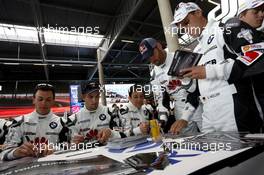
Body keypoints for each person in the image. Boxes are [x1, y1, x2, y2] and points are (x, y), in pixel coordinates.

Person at [170, 2, 262, 134]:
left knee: (241, 154)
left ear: (198, 12)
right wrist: (185, 117)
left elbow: (255, 54)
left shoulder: (225, 27)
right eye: (182, 28)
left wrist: (209, 71)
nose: (186, 29)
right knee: (212, 153)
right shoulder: (197, 50)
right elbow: (195, 91)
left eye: (186, 22)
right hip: (208, 114)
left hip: (234, 110)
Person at [139, 37, 201, 134]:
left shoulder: (180, 58)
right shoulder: (154, 75)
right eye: (148, 58)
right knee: (188, 143)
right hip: (179, 109)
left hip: (199, 104)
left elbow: (198, 86)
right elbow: (162, 100)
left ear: (159, 46)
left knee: (211, 137)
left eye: (152, 54)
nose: (152, 59)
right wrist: (162, 120)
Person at [1, 83, 70, 161]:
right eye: (40, 99)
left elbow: (70, 149)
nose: (44, 103)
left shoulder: (63, 123)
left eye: (48, 100)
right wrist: (16, 152)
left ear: (53, 101)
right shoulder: (18, 122)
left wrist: (55, 149)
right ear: (33, 100)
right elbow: (3, 154)